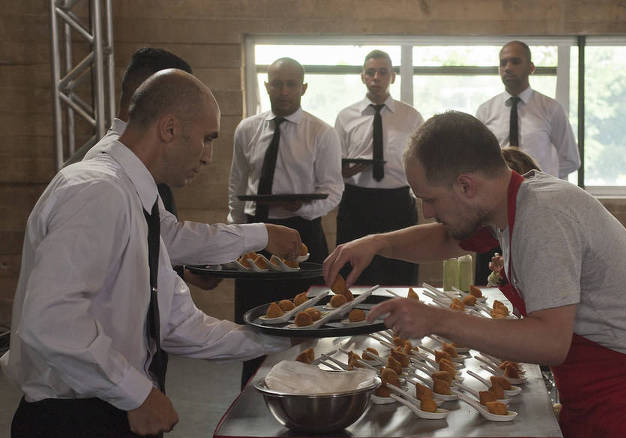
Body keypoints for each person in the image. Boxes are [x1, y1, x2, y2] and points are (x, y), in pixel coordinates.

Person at [324, 111, 626, 438]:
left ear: (466, 185)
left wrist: (437, 319)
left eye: (429, 199)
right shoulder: (508, 205)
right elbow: (446, 238)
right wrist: (375, 243)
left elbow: (550, 341)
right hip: (606, 403)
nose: (426, 211)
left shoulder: (543, 215)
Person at [2, 70, 294, 438]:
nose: (209, 156)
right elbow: (50, 319)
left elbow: (176, 323)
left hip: (114, 416)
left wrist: (283, 335)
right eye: (207, 139)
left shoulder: (138, 198)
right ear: (170, 128)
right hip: (74, 429)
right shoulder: (97, 190)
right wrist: (136, 392)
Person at [84, 48, 301, 286]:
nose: (207, 157)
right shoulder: (100, 182)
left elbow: (160, 241)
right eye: (206, 139)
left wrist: (184, 272)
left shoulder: (131, 167)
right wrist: (261, 234)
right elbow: (59, 309)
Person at [473, 41, 581, 284]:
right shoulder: (485, 111)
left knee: (537, 275)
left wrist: (538, 182)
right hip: (494, 207)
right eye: (503, 63)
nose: (508, 67)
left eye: (515, 61)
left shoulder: (550, 108)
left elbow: (570, 159)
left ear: (531, 67)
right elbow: (477, 161)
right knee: (493, 277)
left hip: (538, 205)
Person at [228, 57, 343, 263]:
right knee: (254, 295)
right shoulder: (247, 129)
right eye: (277, 84)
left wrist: (302, 208)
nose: (284, 91)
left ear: (304, 88)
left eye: (291, 84)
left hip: (302, 227)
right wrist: (235, 229)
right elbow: (237, 183)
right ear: (267, 86)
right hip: (255, 228)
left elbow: (333, 189)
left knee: (306, 295)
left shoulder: (322, 132)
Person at [334, 49, 423, 285]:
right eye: (371, 72)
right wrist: (344, 171)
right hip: (356, 202)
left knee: (400, 272)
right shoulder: (346, 116)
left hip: (397, 203)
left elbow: (422, 162)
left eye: (382, 72)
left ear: (392, 77)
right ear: (363, 76)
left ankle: (401, 321)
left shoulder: (411, 116)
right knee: (354, 274)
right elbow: (334, 165)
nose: (376, 77)